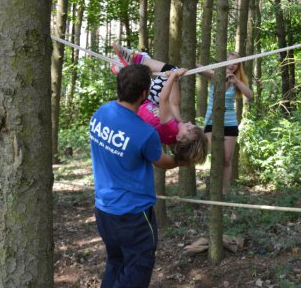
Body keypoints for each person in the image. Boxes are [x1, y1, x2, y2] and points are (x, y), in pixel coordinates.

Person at [89, 64, 183, 288]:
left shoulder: (101, 112)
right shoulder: (144, 133)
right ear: (144, 94)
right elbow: (165, 163)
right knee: (136, 271)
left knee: (116, 262)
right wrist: (185, 158)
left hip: (104, 210)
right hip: (133, 217)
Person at [113, 44, 208, 166]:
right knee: (171, 69)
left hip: (137, 102)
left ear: (179, 138)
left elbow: (164, 99)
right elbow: (174, 104)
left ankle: (127, 68)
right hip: (147, 101)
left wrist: (173, 76)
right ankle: (134, 61)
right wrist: (175, 79)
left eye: (189, 128)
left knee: (138, 78)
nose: (189, 123)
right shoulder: (177, 127)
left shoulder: (171, 130)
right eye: (192, 125)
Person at [198, 51, 253, 195]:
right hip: (212, 121)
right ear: (225, 62)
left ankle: (225, 191)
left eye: (236, 63)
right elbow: (198, 68)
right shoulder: (215, 75)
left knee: (227, 160)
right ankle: (213, 186)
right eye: (231, 61)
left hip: (229, 123)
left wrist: (236, 81)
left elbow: (250, 96)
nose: (233, 65)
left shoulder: (237, 79)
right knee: (215, 155)